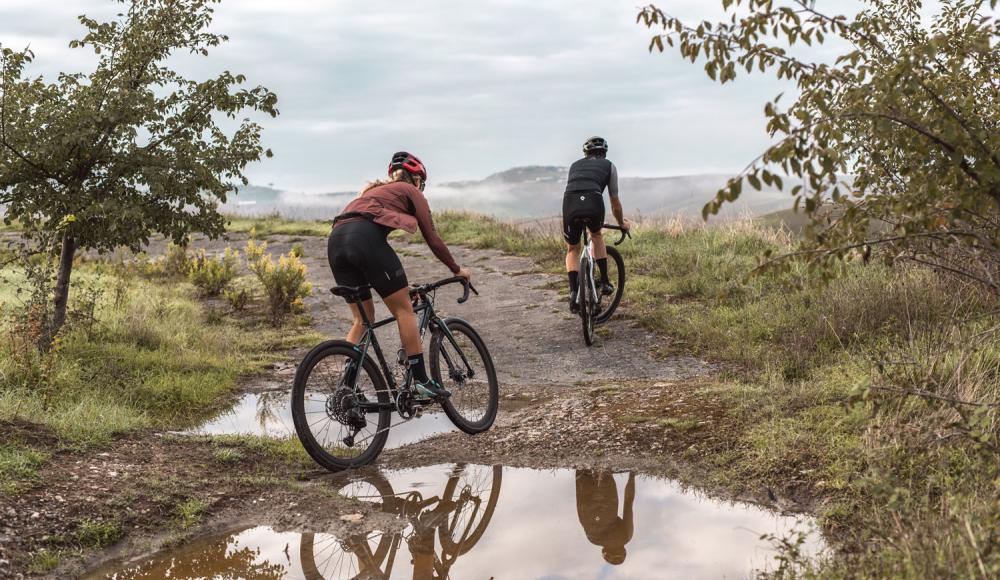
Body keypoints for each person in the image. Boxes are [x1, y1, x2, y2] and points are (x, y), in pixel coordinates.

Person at [327, 151, 471, 399]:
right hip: (364, 239)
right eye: (422, 184)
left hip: (336, 241)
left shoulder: (370, 194)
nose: (421, 189)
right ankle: (421, 382)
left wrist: (400, 287)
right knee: (404, 310)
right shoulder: (411, 191)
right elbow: (433, 240)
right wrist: (457, 270)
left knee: (362, 320)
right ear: (416, 180)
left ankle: (346, 389)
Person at [562, 136, 630, 313]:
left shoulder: (574, 165)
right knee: (596, 235)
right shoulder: (609, 166)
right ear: (604, 153)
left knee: (572, 249)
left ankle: (573, 292)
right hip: (593, 200)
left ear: (585, 153)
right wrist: (622, 223)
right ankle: (605, 282)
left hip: (570, 203)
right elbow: (614, 201)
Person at [575, 470, 636, 566]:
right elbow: (583, 516)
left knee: (604, 466)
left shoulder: (625, 537)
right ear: (605, 552)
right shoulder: (593, 540)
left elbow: (628, 502)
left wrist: (632, 475)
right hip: (585, 507)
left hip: (607, 504)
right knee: (582, 465)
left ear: (623, 550)